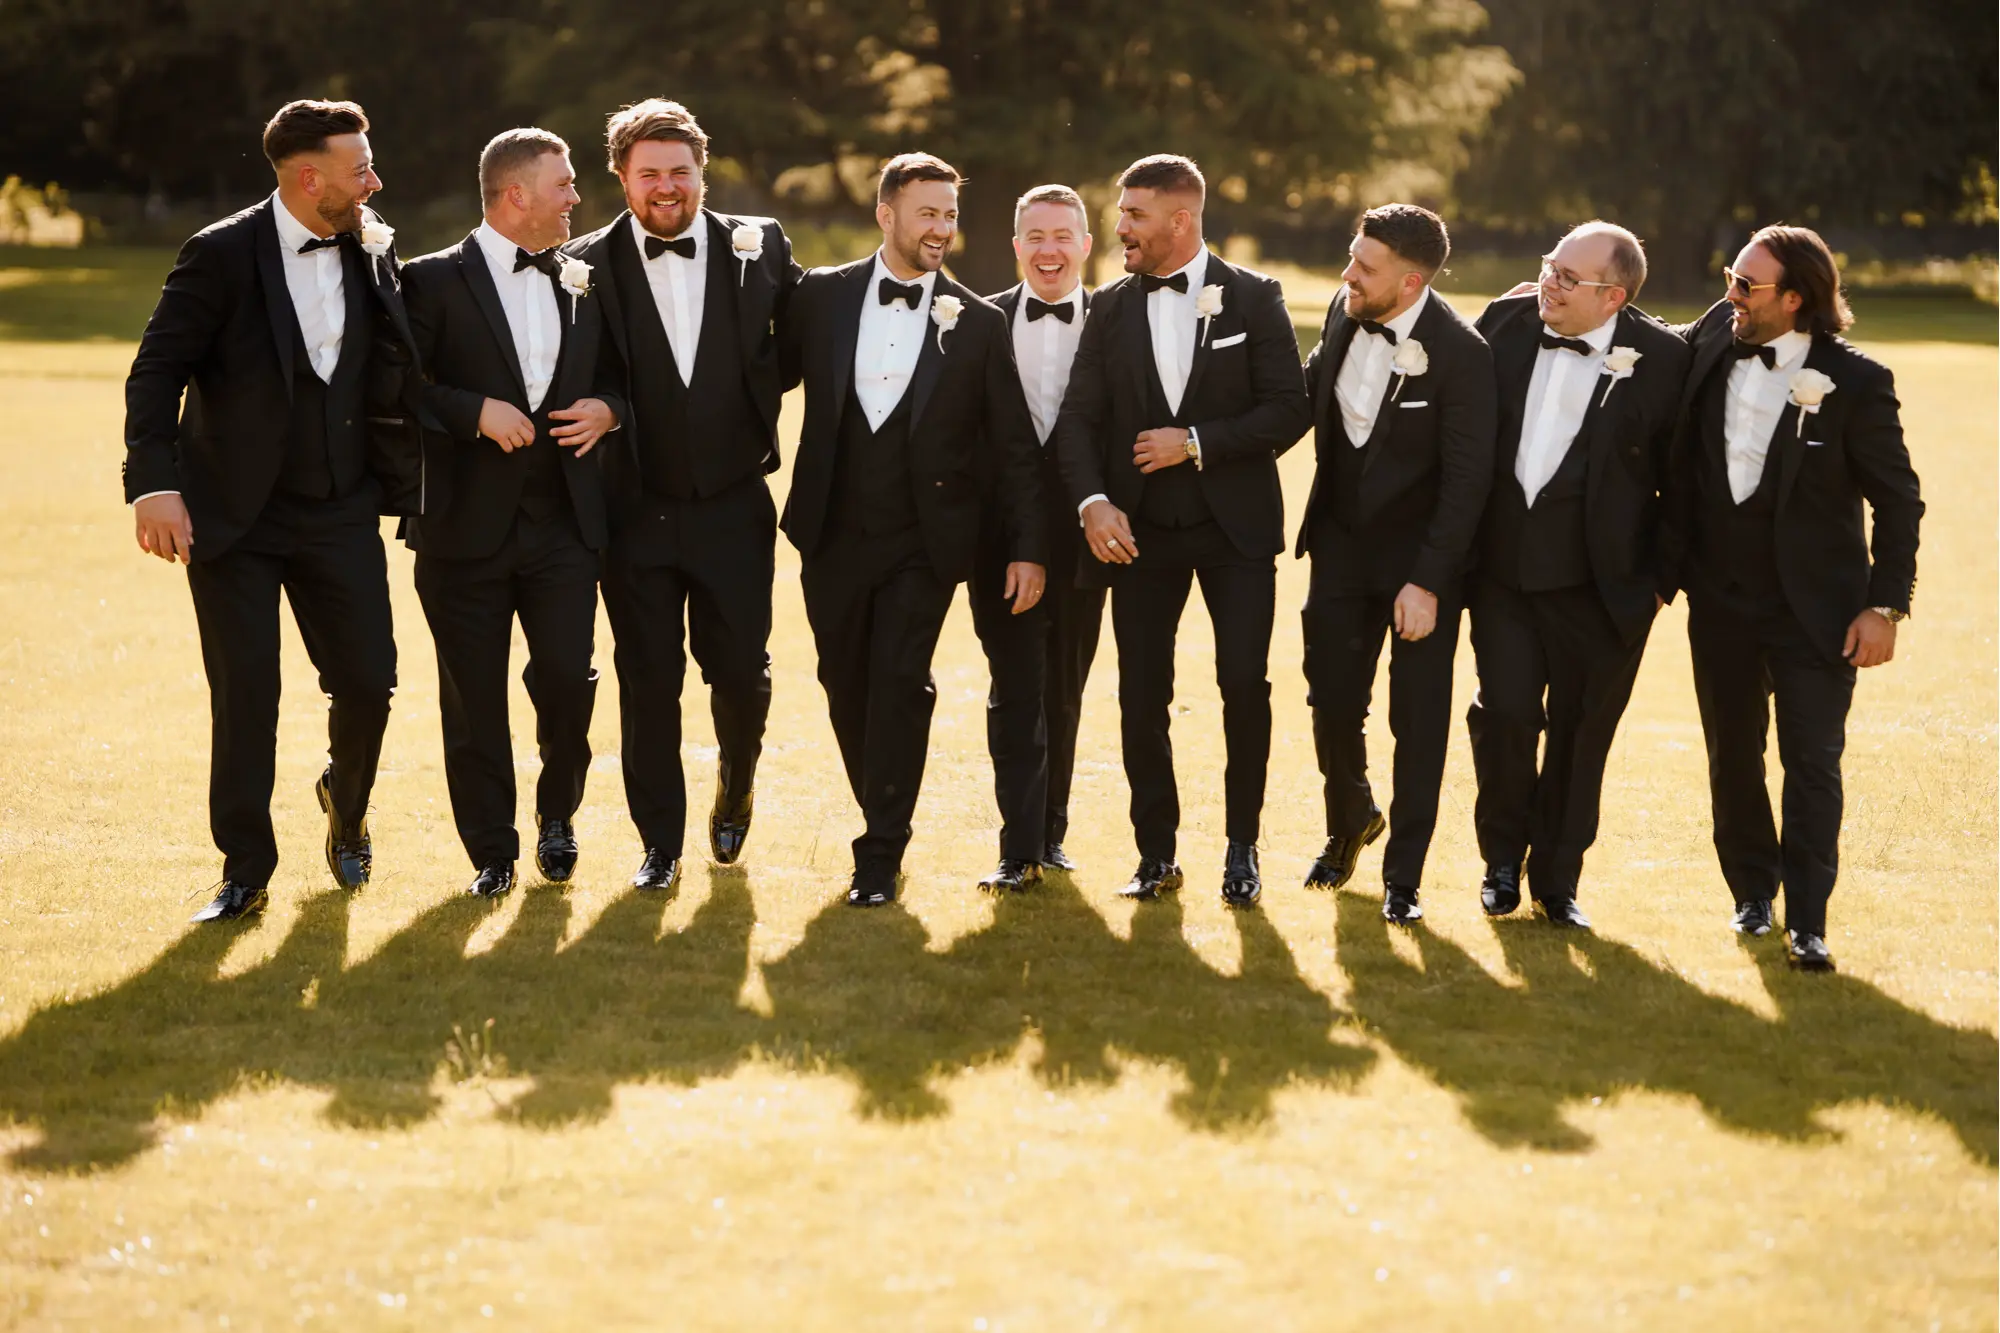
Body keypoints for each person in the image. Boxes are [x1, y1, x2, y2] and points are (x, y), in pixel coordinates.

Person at [123, 99, 419, 923]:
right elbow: (156, 373)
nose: (375, 180)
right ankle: (245, 871)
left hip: (341, 508)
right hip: (233, 516)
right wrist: (152, 483)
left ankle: (346, 803)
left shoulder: (371, 243)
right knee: (246, 695)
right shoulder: (218, 254)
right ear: (307, 175)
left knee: (369, 681)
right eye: (361, 168)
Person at [777, 153, 1042, 907]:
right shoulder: (821, 298)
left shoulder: (979, 323)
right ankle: (881, 804)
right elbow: (762, 374)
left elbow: (1015, 446)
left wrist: (1026, 546)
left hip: (924, 542)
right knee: (842, 681)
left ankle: (879, 851)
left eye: (950, 215)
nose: (942, 229)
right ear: (885, 214)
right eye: (928, 213)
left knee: (899, 681)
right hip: (830, 530)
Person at [1663, 224, 1923, 971]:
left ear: (1797, 299)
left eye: (1746, 284)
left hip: (1820, 611)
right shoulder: (1718, 337)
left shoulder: (1859, 382)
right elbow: (1654, 339)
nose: (1729, 295)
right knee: (1733, 758)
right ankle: (1753, 889)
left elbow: (1899, 502)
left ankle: (1809, 921)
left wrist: (1886, 605)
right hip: (1720, 601)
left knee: (1813, 762)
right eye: (1729, 276)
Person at [1054, 154, 1310, 908]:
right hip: (1140, 534)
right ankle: (1155, 854)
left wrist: (1195, 440)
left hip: (1235, 533)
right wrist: (1094, 502)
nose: (1119, 228)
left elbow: (1289, 408)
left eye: (1133, 215)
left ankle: (1242, 849)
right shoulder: (1108, 306)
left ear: (1181, 220)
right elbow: (1078, 417)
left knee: (1242, 686)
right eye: (1120, 212)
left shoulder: (1255, 297)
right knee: (1142, 694)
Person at [565, 99, 800, 894]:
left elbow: (799, 341)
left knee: (740, 671)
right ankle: (658, 842)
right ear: (621, 178)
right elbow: (574, 371)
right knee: (647, 679)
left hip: (734, 505)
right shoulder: (582, 264)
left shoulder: (759, 245)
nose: (666, 187)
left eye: (679, 172)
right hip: (633, 510)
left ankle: (736, 781)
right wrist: (608, 408)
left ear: (703, 171)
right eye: (649, 174)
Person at [400, 128, 625, 899]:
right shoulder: (426, 283)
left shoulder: (585, 278)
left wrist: (608, 409)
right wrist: (473, 413)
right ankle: (492, 851)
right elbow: (394, 391)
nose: (576, 198)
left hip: (565, 521)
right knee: (473, 698)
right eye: (563, 185)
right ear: (516, 195)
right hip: (462, 527)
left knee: (568, 676)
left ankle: (557, 813)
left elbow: (625, 380)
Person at [1465, 221, 1691, 929]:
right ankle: (1501, 860)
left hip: (1606, 586)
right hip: (1501, 572)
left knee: (1581, 732)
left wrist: (1660, 580)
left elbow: (1686, 481)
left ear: (1614, 295)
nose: (1548, 286)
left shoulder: (1662, 358)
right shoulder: (1503, 321)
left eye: (1568, 278)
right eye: (1549, 267)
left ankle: (1557, 880)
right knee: (1502, 713)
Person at [1295, 203, 1494, 925]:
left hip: (1419, 568)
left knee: (1418, 722)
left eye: (1364, 267)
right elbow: (1302, 404)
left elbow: (1469, 480)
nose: (1348, 274)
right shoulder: (1344, 318)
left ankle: (1402, 875)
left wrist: (1429, 582)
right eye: (1353, 257)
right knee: (1331, 702)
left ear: (1409, 282)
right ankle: (1350, 817)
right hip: (1340, 553)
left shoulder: (1463, 354)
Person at [971, 183, 1101, 892]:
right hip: (999, 540)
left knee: (1065, 688)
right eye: (1035, 237)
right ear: (1016, 245)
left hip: (1089, 535)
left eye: (1063, 236)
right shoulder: (980, 322)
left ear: (1086, 245)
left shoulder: (1115, 322)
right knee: (1015, 687)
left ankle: (1050, 833)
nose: (1049, 250)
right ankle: (1017, 848)